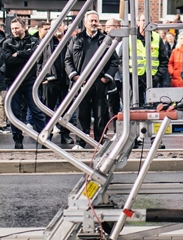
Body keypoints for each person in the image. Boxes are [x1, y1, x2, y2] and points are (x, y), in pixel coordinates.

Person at [65, 11, 119, 148]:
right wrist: (74, 76)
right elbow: (68, 60)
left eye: (96, 20)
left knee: (101, 114)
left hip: (99, 83)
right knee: (82, 114)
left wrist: (106, 78)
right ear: (85, 23)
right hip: (81, 82)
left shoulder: (105, 40)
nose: (94, 23)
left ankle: (98, 143)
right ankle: (81, 142)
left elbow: (114, 61)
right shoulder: (76, 39)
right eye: (92, 21)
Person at [1, 18, 44, 149]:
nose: (14, 31)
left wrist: (19, 54)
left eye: (17, 28)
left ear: (24, 27)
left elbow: (36, 55)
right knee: (14, 112)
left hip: (30, 81)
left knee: (37, 110)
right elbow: (8, 60)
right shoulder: (7, 42)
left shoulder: (34, 41)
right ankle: (17, 139)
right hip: (13, 82)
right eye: (13, 28)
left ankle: (43, 137)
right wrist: (26, 57)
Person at [38, 22, 74, 145]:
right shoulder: (46, 41)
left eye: (60, 25)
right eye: (56, 25)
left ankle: (65, 135)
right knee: (48, 109)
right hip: (50, 81)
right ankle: (47, 134)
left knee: (66, 110)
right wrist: (41, 77)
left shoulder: (70, 41)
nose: (58, 28)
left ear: (64, 27)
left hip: (65, 81)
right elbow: (38, 61)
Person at [131, 14, 169, 104]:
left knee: (153, 107)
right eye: (143, 20)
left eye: (148, 20)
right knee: (136, 107)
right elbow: (122, 60)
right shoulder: (130, 37)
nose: (145, 23)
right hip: (135, 79)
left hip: (153, 79)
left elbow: (164, 60)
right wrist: (129, 76)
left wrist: (158, 76)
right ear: (138, 22)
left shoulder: (157, 38)